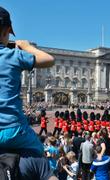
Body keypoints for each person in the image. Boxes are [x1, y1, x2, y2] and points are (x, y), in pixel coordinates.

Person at [0, 6, 54, 157]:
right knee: (42, 160)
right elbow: (49, 59)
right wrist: (27, 46)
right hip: (13, 129)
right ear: (7, 31)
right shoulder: (13, 55)